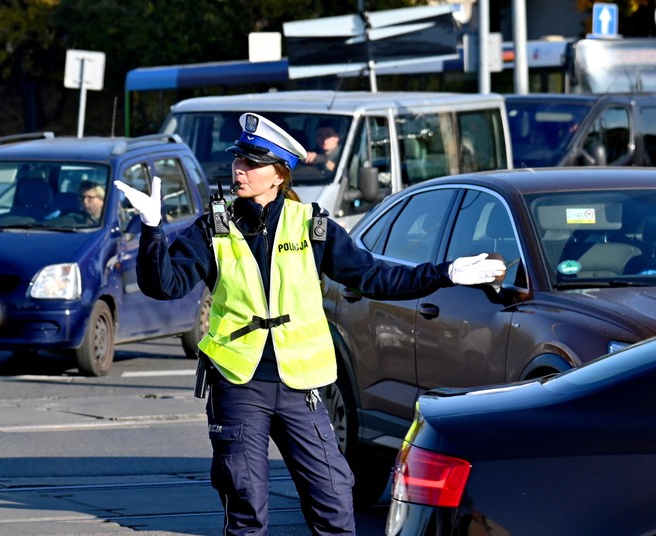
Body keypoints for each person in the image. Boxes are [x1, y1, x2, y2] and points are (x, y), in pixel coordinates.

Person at [114, 113, 505, 536]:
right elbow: (166, 286)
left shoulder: (311, 226)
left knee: (333, 498)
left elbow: (373, 276)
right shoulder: (216, 224)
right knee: (245, 504)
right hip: (238, 380)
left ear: (278, 174)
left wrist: (444, 273)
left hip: (302, 386)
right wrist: (152, 230)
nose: (239, 170)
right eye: (238, 161)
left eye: (251, 163)